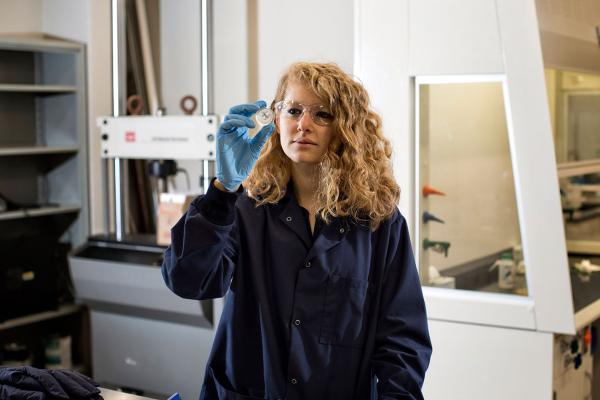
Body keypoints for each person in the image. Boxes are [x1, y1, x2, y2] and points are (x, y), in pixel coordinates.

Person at [162, 62, 431, 400]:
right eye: (293, 110)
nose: (303, 124)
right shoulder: (245, 210)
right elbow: (188, 281)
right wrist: (223, 189)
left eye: (322, 115)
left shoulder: (378, 223)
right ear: (276, 120)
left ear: (346, 129)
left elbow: (402, 340)